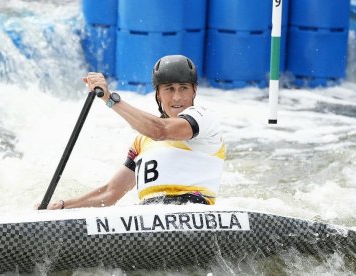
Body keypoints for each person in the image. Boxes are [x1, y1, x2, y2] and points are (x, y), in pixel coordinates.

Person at [44, 55, 225, 210]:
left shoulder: (204, 119)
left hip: (194, 211)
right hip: (149, 216)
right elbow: (110, 193)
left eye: (183, 88)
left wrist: (109, 98)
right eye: (169, 89)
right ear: (158, 95)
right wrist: (62, 206)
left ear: (194, 90)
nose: (177, 97)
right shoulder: (142, 141)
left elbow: (159, 130)